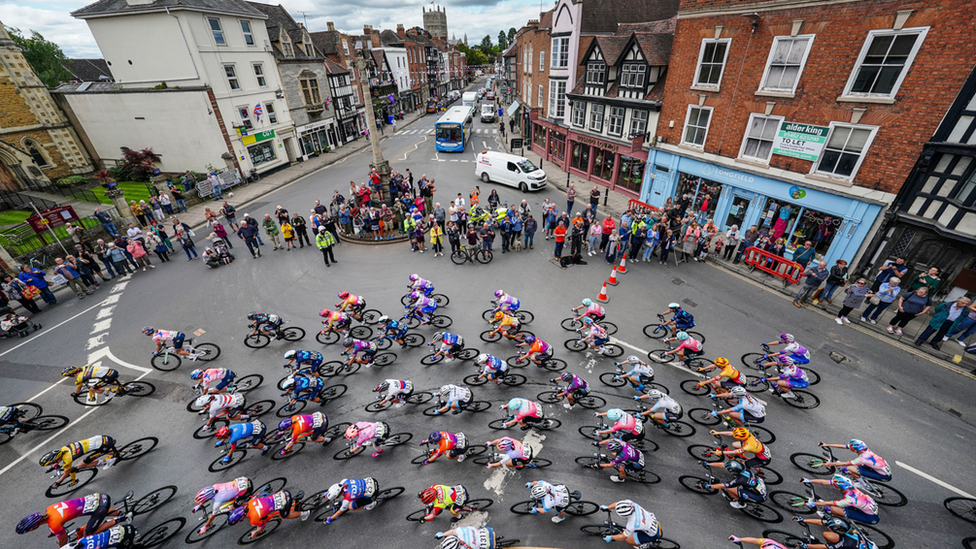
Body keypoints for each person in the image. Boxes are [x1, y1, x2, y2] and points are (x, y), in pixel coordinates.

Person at [16, 493, 126, 547]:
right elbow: (60, 517)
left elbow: (63, 541)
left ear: (35, 526)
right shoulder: (49, 509)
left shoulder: (54, 525)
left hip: (100, 507)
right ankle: (121, 511)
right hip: (99, 497)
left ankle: (119, 519)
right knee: (97, 511)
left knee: (88, 533)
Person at [39, 435, 120, 486]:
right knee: (100, 451)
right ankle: (119, 453)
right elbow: (59, 459)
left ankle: (110, 461)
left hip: (102, 445)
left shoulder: (68, 460)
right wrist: (54, 466)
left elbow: (66, 473)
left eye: (52, 463)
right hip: (100, 438)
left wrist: (58, 481)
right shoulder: (63, 448)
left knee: (82, 464)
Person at [804, 474, 880, 525]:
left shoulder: (849, 499)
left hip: (870, 518)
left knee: (833, 509)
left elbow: (830, 503)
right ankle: (840, 516)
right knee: (841, 509)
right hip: (866, 508)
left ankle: (837, 521)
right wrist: (809, 480)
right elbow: (825, 482)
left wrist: (814, 504)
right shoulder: (851, 487)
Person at [241, 489, 308, 539]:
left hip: (284, 501)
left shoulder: (253, 520)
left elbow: (263, 525)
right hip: (283, 492)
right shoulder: (250, 502)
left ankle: (304, 513)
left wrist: (256, 531)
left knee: (285, 516)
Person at [818, 439, 892, 482]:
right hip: (881, 469)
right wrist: (827, 444)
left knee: (848, 468)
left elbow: (846, 463)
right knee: (855, 467)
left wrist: (830, 463)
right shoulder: (865, 449)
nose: (848, 447)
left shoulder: (862, 458)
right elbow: (844, 446)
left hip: (883, 476)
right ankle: (858, 476)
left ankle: (862, 484)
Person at [434, 526, 501, 549]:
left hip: (490, 544)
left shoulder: (464, 548)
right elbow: (452, 531)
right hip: (489, 530)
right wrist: (442, 535)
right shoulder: (460, 531)